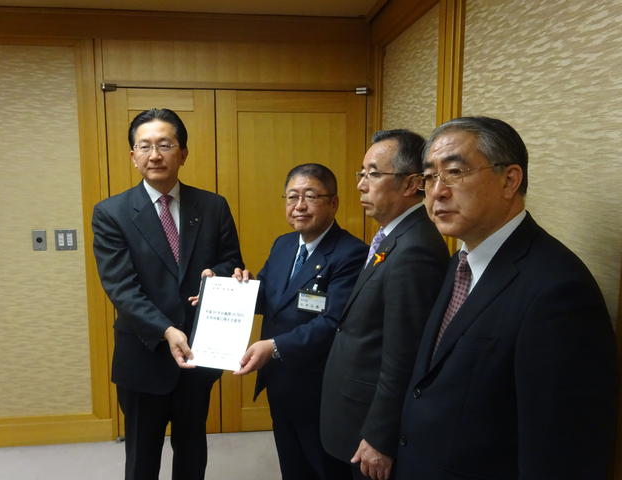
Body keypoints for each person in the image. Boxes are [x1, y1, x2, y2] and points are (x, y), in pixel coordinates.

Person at [396, 116, 618, 479]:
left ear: (509, 180)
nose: (437, 192)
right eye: (430, 176)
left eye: (453, 172)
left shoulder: (557, 290)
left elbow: (561, 448)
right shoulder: (461, 259)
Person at [92, 108, 243, 480]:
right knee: (142, 457)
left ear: (183, 153)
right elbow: (121, 288)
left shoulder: (212, 206)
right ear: (133, 156)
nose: (154, 155)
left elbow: (232, 263)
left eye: (164, 144)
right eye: (144, 146)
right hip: (144, 355)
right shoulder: (112, 213)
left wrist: (220, 275)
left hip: (199, 351)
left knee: (192, 451)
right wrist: (166, 330)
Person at [320, 129, 450, 480]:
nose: (362, 185)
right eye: (361, 174)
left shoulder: (415, 250)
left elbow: (404, 355)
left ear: (411, 184)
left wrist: (380, 435)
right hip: (354, 411)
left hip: (371, 429)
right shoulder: (391, 237)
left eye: (374, 173)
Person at [232, 163, 368, 480]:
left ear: (333, 203)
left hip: (319, 386)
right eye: (292, 196)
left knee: (324, 466)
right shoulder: (283, 245)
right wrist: (229, 291)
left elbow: (334, 321)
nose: (299, 206)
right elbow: (267, 297)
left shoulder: (351, 254)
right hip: (280, 379)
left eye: (310, 196)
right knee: (292, 464)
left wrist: (275, 346)